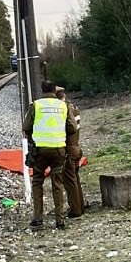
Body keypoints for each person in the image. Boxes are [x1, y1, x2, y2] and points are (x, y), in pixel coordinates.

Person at [22, 80, 77, 230]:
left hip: (40, 150)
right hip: (58, 150)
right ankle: (60, 220)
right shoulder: (63, 106)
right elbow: (72, 128)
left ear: (42, 90)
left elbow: (26, 127)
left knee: (37, 181)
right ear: (54, 90)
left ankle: (38, 219)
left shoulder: (36, 105)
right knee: (57, 183)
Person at [56, 88, 84, 218]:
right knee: (75, 178)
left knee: (69, 180)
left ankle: (75, 210)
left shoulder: (64, 110)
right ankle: (80, 205)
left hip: (69, 148)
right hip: (77, 147)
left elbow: (68, 129)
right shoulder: (75, 107)